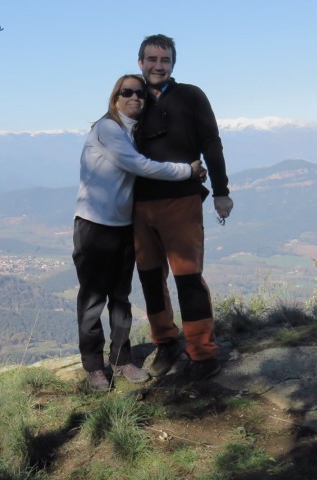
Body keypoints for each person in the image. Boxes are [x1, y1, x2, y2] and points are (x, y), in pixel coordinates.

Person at [73, 74, 206, 391]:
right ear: (115, 98)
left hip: (122, 226)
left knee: (120, 298)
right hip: (93, 225)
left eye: (140, 94)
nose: (134, 97)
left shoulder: (135, 132)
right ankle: (94, 367)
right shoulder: (107, 129)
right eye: (126, 92)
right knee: (93, 299)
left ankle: (121, 361)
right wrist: (189, 170)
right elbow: (141, 166)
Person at [133, 34, 234, 381]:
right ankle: (165, 342)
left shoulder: (191, 96)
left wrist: (221, 191)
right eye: (151, 59)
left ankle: (203, 352)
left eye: (164, 60)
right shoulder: (131, 97)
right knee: (149, 278)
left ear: (172, 64)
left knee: (188, 278)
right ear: (140, 63)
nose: (157, 65)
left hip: (182, 201)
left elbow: (211, 143)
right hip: (137, 204)